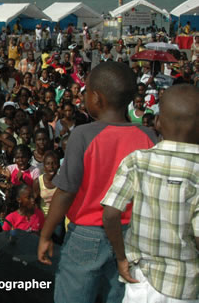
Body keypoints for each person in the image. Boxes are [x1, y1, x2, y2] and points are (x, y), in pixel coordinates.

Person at [37, 61, 158, 303]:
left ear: (96, 97)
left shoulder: (83, 135)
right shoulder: (148, 136)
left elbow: (66, 191)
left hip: (87, 235)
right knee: (118, 296)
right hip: (132, 236)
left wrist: (46, 234)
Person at [101, 84, 198, 302]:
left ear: (158, 123)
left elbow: (110, 213)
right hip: (183, 285)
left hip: (140, 281)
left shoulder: (137, 160)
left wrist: (121, 257)